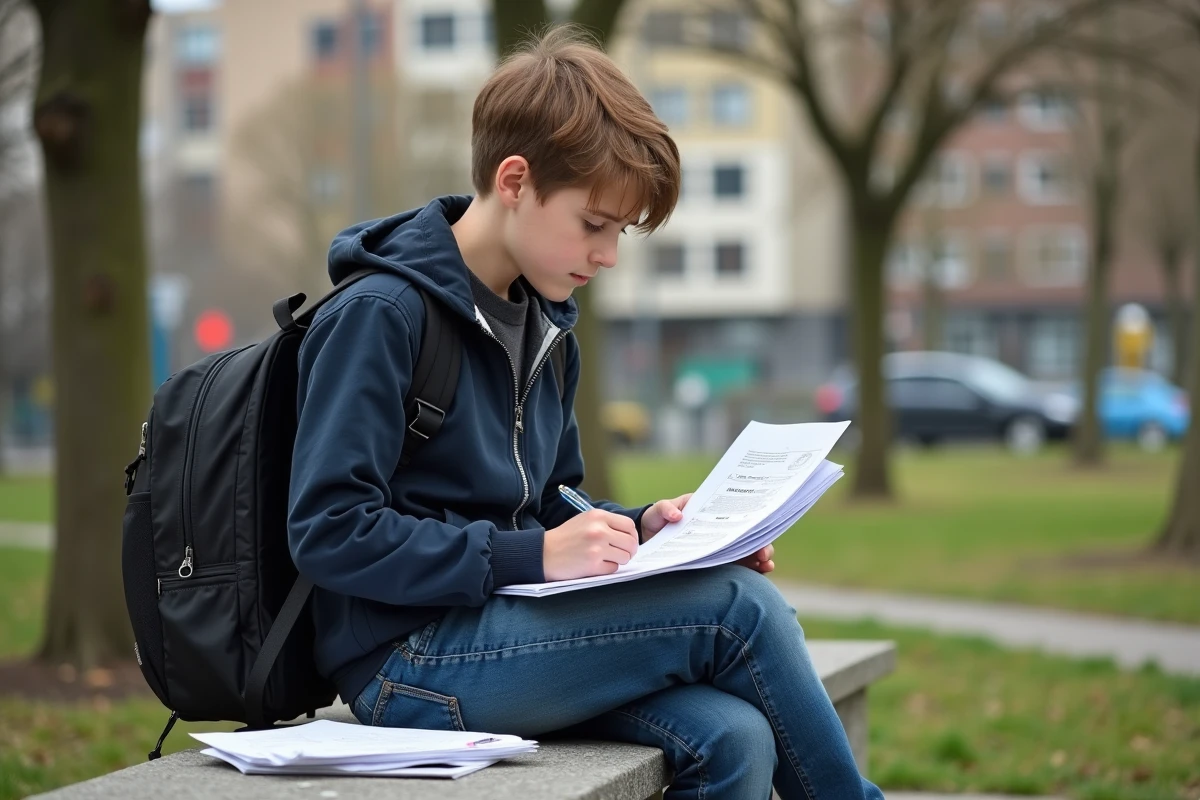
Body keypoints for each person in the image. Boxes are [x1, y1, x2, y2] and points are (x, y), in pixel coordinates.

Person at [287, 25, 884, 800]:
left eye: (620, 232)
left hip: (512, 632)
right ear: (514, 180)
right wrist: (529, 557)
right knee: (739, 609)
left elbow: (550, 501)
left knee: (734, 739)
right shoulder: (381, 316)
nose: (608, 255)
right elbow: (328, 530)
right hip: (407, 661)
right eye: (594, 224)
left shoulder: (546, 328)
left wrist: (645, 530)